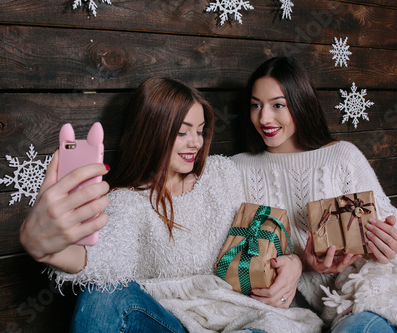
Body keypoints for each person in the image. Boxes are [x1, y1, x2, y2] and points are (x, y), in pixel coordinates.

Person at [20, 77, 323, 332]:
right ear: (152, 131)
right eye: (182, 132)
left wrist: (295, 263)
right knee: (102, 295)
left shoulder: (222, 173)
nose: (196, 142)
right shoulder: (128, 202)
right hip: (176, 323)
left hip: (244, 317)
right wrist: (49, 250)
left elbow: (270, 231)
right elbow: (103, 263)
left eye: (200, 130)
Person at [232, 56, 397, 333]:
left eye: (278, 105)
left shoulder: (342, 157)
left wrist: (394, 244)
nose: (264, 118)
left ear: (301, 103)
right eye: (255, 105)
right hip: (299, 311)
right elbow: (239, 253)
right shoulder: (238, 168)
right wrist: (302, 264)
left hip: (369, 290)